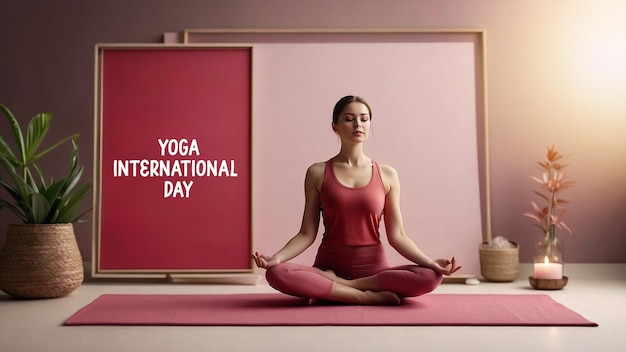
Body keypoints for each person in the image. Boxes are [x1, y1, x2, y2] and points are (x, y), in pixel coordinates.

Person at [252, 95, 461, 305]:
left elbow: (397, 235)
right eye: (349, 118)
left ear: (370, 124)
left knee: (431, 276)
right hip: (328, 266)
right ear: (335, 126)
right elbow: (307, 233)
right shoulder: (317, 172)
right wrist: (277, 258)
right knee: (276, 273)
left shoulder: (387, 174)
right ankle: (365, 296)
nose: (358, 124)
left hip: (373, 271)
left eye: (364, 118)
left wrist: (430, 263)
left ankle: (338, 289)